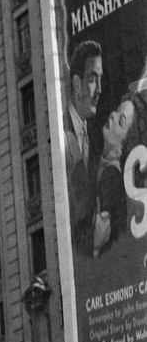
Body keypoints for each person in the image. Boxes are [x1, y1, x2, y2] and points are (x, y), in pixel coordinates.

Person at [63, 39, 108, 256]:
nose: (99, 90)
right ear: (77, 84)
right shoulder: (63, 136)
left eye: (100, 80)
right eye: (92, 79)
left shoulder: (93, 136)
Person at [94, 95, 137, 257]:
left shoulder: (111, 176)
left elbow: (98, 237)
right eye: (118, 110)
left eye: (121, 121)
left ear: (125, 143)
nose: (112, 114)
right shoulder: (102, 165)